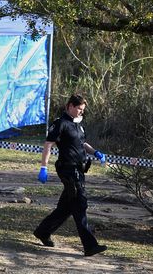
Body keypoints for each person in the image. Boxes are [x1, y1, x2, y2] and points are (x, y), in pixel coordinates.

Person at [33, 94, 108, 257]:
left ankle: (42, 232)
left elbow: (82, 143)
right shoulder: (60, 124)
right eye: (79, 109)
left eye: (83, 110)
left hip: (79, 170)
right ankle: (90, 246)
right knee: (80, 204)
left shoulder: (78, 125)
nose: (81, 112)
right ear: (70, 106)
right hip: (68, 170)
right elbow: (48, 145)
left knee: (66, 208)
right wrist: (43, 167)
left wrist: (95, 152)